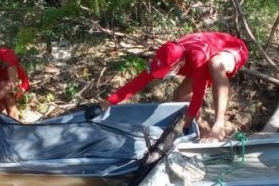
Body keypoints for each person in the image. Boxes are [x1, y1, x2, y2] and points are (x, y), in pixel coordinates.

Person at [89, 32, 248, 143]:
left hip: (232, 49)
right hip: (204, 58)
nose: (166, 75)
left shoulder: (197, 57)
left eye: (168, 71)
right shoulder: (162, 58)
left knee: (215, 64)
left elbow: (199, 94)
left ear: (179, 63)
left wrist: (184, 126)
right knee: (180, 96)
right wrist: (105, 104)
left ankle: (218, 125)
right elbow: (136, 84)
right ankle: (204, 131)